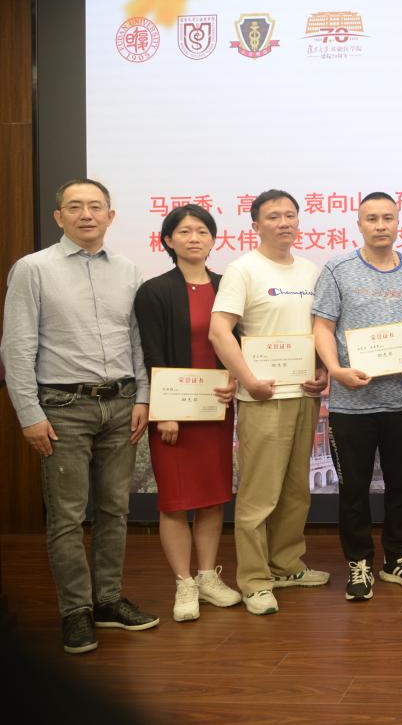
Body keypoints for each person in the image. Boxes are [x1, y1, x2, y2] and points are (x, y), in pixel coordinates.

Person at [1, 178, 158, 654]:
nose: (86, 214)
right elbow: (17, 345)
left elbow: (136, 340)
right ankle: (75, 611)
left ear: (111, 215)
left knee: (115, 509)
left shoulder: (128, 270)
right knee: (67, 516)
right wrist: (28, 414)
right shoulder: (33, 269)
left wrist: (144, 397)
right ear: (59, 217)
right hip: (62, 409)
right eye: (75, 207)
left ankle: (107, 601)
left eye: (95, 206)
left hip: (121, 404)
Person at [209, 189, 330, 615]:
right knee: (259, 495)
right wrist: (248, 380)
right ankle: (255, 580)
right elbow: (220, 331)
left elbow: (320, 330)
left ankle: (286, 566)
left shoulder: (311, 270)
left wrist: (323, 368)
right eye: (273, 216)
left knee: (296, 489)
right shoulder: (243, 269)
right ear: (256, 224)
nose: (284, 222)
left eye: (290, 215)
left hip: (305, 394)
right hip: (263, 397)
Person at [313, 192, 402, 602]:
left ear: (398, 222)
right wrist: (335, 370)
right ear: (359, 224)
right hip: (352, 405)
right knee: (354, 490)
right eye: (372, 218)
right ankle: (359, 561)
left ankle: (397, 558)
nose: (380, 225)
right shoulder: (338, 269)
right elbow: (323, 326)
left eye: (387, 218)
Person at [133, 204, 241, 621]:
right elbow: (153, 353)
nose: (194, 238)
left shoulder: (226, 286)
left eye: (202, 231)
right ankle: (184, 583)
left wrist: (236, 379)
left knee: (212, 498)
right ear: (168, 240)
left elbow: (237, 343)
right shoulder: (154, 290)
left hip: (216, 408)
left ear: (213, 239)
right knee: (176, 500)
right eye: (184, 231)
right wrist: (166, 411)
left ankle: (207, 577)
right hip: (172, 414)